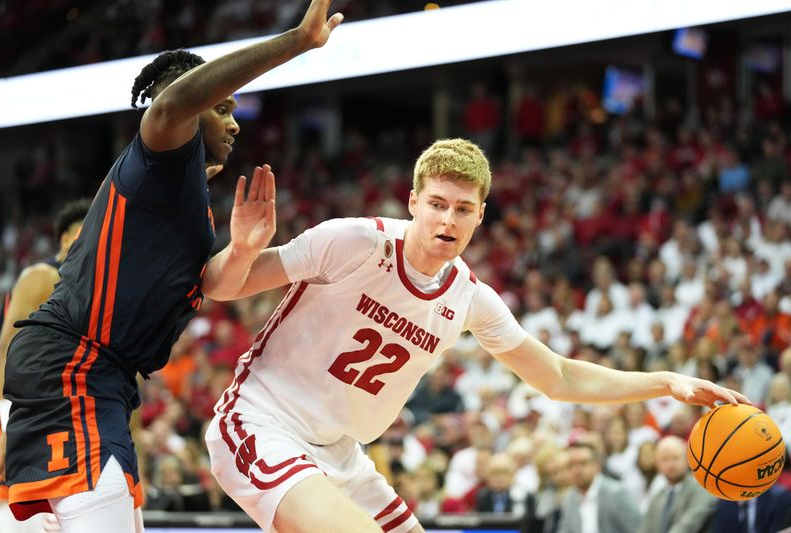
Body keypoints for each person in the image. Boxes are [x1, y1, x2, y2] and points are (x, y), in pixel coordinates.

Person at [201, 137, 749, 533]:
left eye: (463, 209)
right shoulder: (351, 243)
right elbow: (221, 287)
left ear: (480, 216)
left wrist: (665, 381)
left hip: (340, 453)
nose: (448, 219)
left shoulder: (469, 298)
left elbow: (556, 376)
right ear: (413, 202)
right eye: (437, 204)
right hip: (261, 421)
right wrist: (245, 247)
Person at [1, 2, 343, 531]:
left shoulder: (189, 205)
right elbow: (172, 104)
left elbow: (217, 284)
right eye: (222, 108)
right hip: (73, 365)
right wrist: (295, 42)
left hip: (101, 377)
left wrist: (247, 246)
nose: (233, 124)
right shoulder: (158, 157)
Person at [0, 199, 90, 532]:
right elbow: (6, 347)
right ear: (65, 239)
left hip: (53, 415)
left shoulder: (91, 287)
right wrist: (7, 423)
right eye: (85, 233)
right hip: (12, 408)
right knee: (11, 513)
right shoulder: (42, 276)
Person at [556, 440, 640, 533]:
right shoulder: (570, 498)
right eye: (571, 465)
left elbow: (639, 529)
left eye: (583, 463)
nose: (576, 470)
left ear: (597, 465)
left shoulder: (615, 494)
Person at [637, 435, 716, 533]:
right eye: (664, 459)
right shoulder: (656, 498)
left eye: (675, 458)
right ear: (657, 464)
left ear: (687, 459)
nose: (670, 465)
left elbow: (688, 525)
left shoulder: (702, 490)